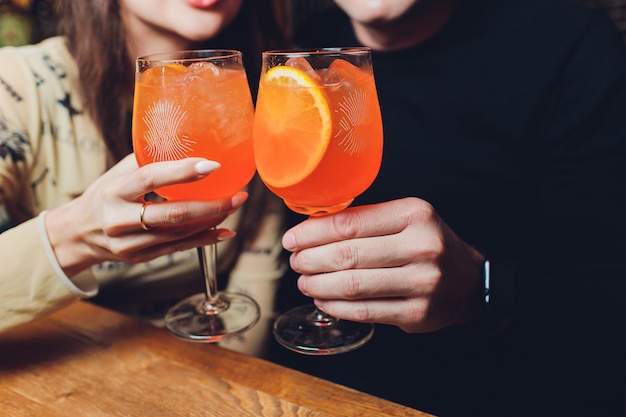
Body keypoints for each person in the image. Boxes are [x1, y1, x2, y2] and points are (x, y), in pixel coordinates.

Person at [267, 0, 626, 415]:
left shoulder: (569, 43)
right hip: (293, 390)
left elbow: (610, 314)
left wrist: (482, 288)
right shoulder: (299, 48)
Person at [0, 0, 286, 356]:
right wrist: (70, 238)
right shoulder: (16, 86)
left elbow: (251, 313)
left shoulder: (262, 87)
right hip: (57, 361)